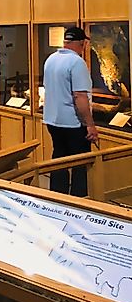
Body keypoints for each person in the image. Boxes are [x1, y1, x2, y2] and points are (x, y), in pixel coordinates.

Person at [43, 26, 98, 197]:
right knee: (80, 163)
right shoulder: (77, 63)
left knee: (59, 158)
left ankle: (57, 197)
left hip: (52, 121)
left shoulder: (51, 59)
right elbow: (80, 97)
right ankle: (79, 200)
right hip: (73, 124)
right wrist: (90, 125)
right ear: (82, 43)